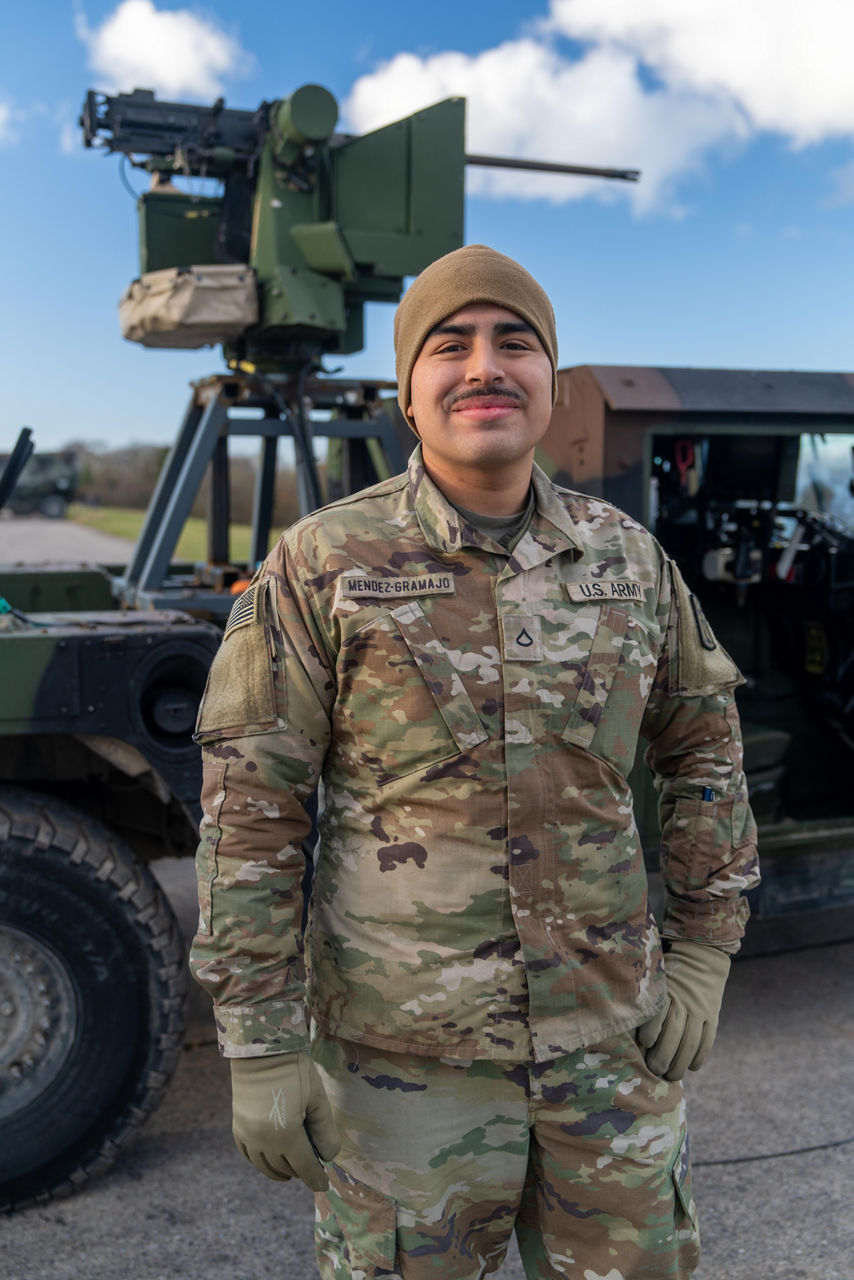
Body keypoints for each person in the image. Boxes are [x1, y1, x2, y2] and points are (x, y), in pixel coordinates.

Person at [190, 244, 759, 1279]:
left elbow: (701, 750)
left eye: (515, 343)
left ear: (549, 381)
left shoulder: (627, 560)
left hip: (607, 1050)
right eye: (448, 346)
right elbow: (252, 809)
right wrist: (260, 1037)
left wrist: (703, 950)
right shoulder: (323, 564)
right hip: (404, 1073)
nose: (483, 366)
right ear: (409, 392)